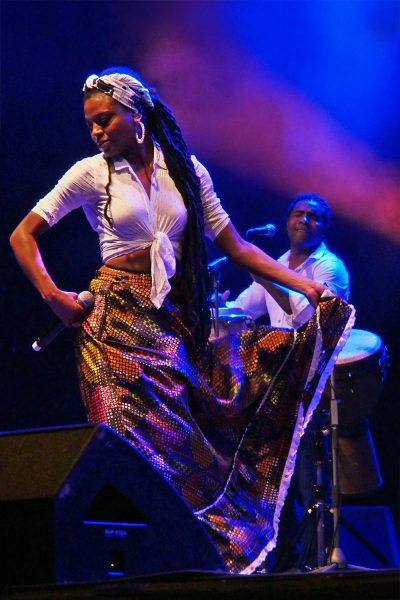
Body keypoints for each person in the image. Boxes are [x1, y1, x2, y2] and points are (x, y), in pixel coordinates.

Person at [9, 67, 354, 574]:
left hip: (167, 324)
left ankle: (175, 562)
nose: (96, 132)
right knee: (119, 438)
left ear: (136, 114)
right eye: (90, 125)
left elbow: (233, 244)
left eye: (105, 120)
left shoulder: (187, 172)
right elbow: (23, 235)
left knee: (176, 449)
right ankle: (122, 566)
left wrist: (302, 285)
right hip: (109, 323)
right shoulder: (90, 173)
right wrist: (54, 295)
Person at [225, 193, 350, 570]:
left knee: (303, 474)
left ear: (323, 227)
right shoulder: (277, 264)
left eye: (315, 217)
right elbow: (246, 307)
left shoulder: (330, 268)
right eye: (299, 214)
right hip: (279, 383)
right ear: (287, 222)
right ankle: (272, 558)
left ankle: (308, 558)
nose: (305, 221)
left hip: (315, 384)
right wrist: (217, 305)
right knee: (272, 473)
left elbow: (301, 318)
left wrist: (264, 275)